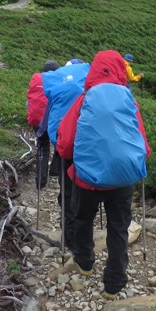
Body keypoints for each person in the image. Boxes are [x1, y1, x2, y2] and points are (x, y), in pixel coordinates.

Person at [56, 50, 151, 300]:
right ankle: (114, 281)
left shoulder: (83, 99)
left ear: (94, 70)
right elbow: (143, 144)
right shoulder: (129, 100)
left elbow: (64, 144)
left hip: (87, 179)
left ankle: (86, 263)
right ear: (121, 70)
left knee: (82, 219)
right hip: (122, 181)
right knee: (118, 227)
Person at [38, 58, 91, 249]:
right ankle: (84, 236)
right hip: (87, 144)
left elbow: (48, 115)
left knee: (67, 188)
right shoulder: (89, 85)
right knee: (84, 188)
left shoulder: (58, 85)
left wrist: (41, 134)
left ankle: (69, 237)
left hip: (63, 142)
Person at [26, 60, 59, 189]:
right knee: (59, 144)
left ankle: (40, 181)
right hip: (52, 120)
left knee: (42, 147)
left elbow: (30, 101)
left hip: (37, 120)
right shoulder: (59, 81)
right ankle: (55, 171)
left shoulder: (36, 79)